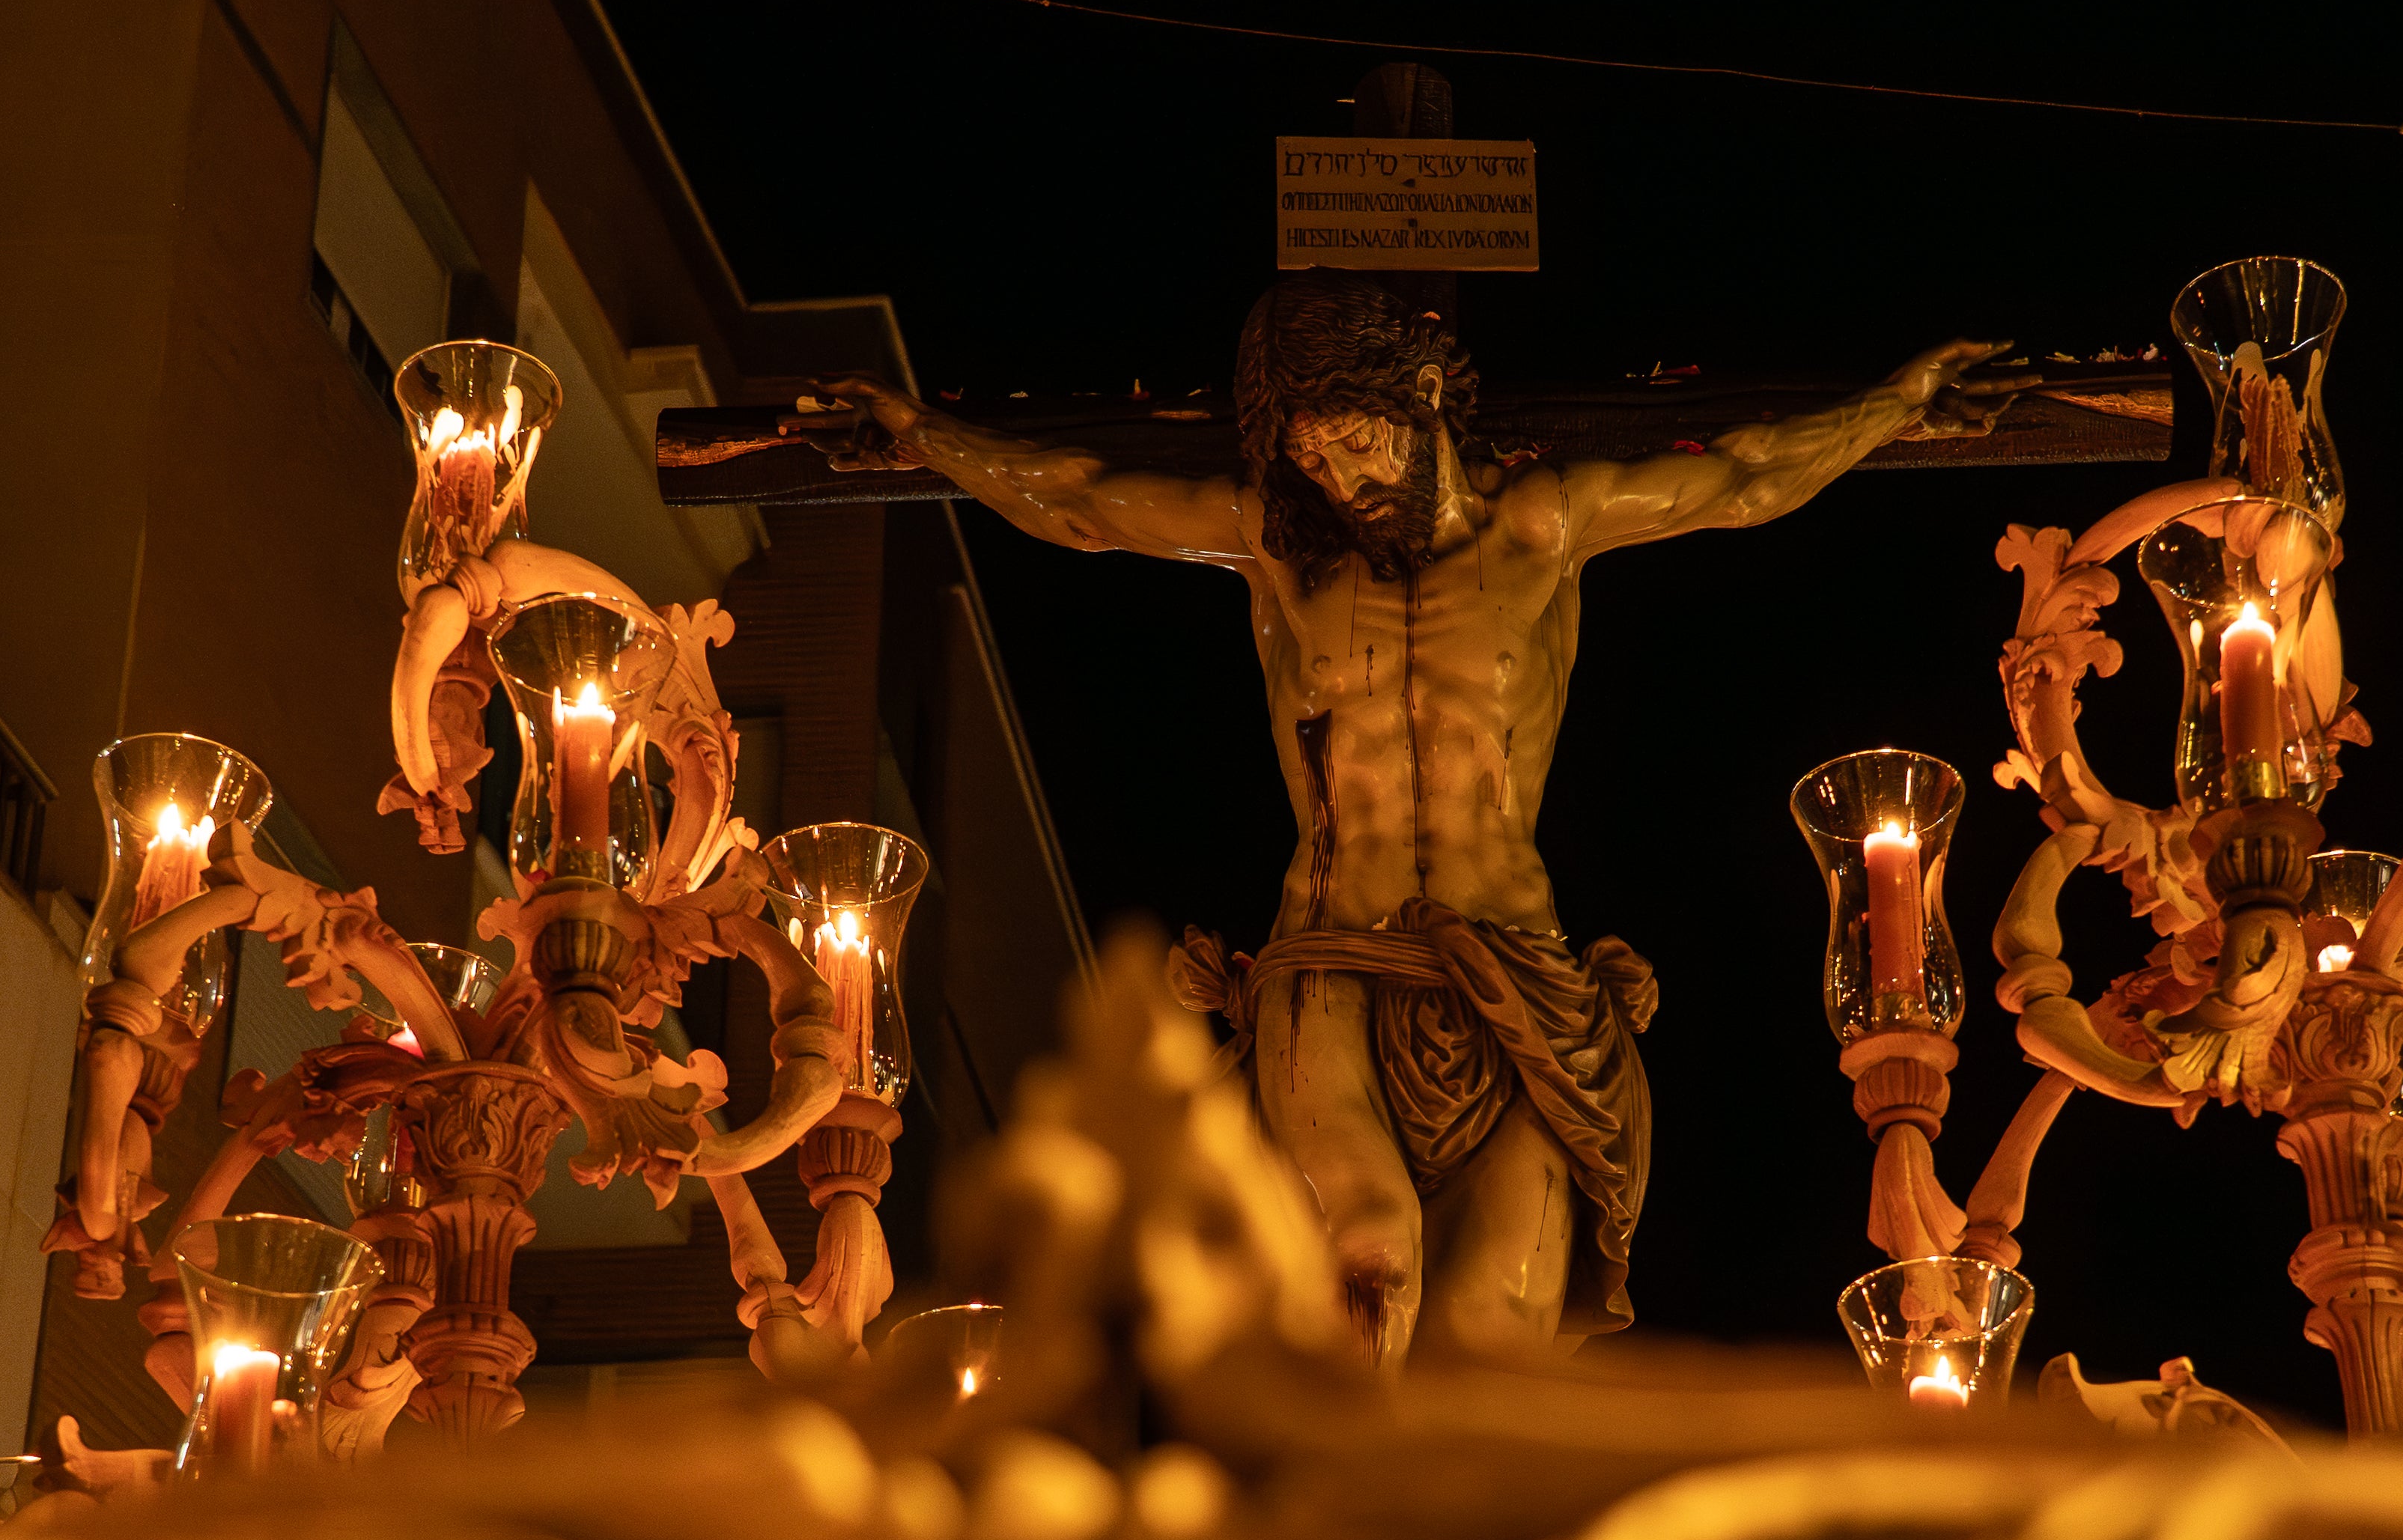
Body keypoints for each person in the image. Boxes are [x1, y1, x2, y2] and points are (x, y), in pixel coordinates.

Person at [812, 282, 2000, 1364]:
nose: (1339, 480)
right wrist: (923, 437)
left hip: (1520, 979)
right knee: (1366, 1258)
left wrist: (1897, 405)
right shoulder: (1286, 556)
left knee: (1500, 1331)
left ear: (1424, 394)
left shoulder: (1543, 529)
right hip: (1332, 955)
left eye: (1356, 440)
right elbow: (1078, 503)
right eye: (1311, 459)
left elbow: (1746, 477)